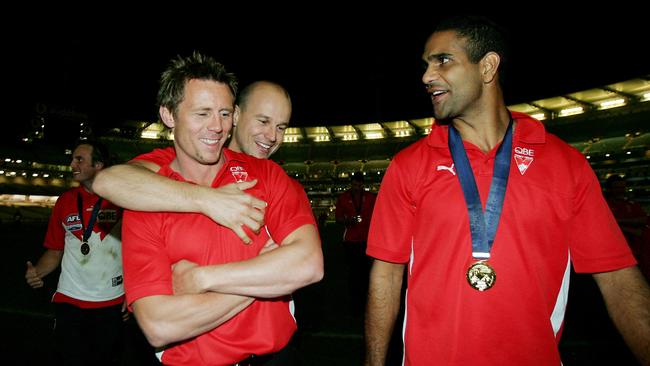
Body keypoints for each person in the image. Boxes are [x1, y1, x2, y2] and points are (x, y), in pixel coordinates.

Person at [364, 16, 650, 366]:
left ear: (487, 67)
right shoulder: (408, 166)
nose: (426, 76)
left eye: (443, 60)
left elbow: (618, 276)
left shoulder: (565, 164)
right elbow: (387, 275)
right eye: (426, 64)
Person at [121, 52, 323, 365]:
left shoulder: (267, 175)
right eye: (202, 113)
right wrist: (266, 274)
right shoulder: (145, 199)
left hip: (277, 359)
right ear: (168, 115)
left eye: (224, 113)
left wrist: (202, 278)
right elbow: (159, 325)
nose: (217, 127)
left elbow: (308, 265)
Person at [92, 80, 292, 244]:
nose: (272, 136)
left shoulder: (279, 181)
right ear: (236, 116)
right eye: (263, 121)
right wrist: (209, 199)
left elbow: (305, 263)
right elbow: (109, 181)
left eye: (281, 127)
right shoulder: (180, 161)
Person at [25, 140, 126, 366]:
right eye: (72, 159)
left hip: (109, 302)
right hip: (69, 301)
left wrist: (133, 293)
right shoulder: (65, 201)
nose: (72, 164)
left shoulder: (122, 200)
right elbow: (54, 250)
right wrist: (37, 272)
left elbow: (137, 251)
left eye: (79, 159)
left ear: (98, 165)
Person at [335, 173, 376, 317]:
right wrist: (348, 220)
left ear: (362, 184)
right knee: (353, 273)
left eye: (358, 185)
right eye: (354, 185)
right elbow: (338, 218)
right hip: (351, 240)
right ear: (351, 183)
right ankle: (354, 302)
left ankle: (365, 300)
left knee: (365, 272)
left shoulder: (371, 198)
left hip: (366, 240)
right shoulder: (343, 198)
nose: (356, 188)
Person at [605, 174, 650, 281]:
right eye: (617, 188)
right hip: (613, 253)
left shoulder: (631, 204)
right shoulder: (604, 204)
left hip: (636, 253)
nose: (620, 190)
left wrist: (617, 223)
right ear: (610, 189)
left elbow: (644, 220)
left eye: (622, 187)